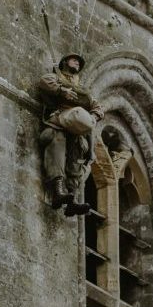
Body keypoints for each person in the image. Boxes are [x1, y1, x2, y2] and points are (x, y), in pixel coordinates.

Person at [38, 54, 104, 217]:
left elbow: (98, 107)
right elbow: (44, 81)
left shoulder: (82, 89)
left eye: (79, 62)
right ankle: (58, 190)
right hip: (58, 122)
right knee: (57, 143)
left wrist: (94, 117)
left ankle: (72, 199)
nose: (77, 63)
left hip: (76, 129)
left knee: (77, 158)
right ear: (65, 62)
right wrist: (62, 91)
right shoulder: (57, 77)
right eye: (74, 60)